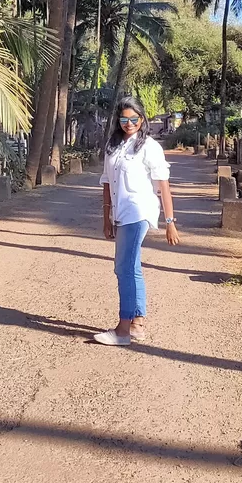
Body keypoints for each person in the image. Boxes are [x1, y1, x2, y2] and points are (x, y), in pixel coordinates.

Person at [94, 97, 179, 346]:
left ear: (141, 119)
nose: (129, 123)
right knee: (132, 268)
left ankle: (122, 330)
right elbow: (107, 183)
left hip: (139, 212)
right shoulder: (113, 146)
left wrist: (170, 221)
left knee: (124, 268)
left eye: (134, 119)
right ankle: (137, 323)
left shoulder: (149, 147)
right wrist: (107, 218)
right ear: (118, 120)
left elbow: (163, 186)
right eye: (124, 119)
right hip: (120, 213)